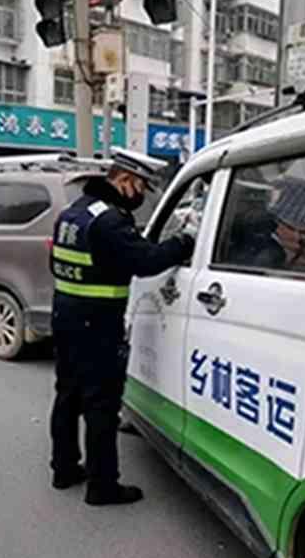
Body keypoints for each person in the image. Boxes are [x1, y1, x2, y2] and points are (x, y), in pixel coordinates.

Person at [49, 148, 195, 506]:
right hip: (97, 324)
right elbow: (146, 261)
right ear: (125, 180)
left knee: (67, 395)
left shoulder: (74, 213)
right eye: (141, 186)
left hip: (66, 317)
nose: (141, 195)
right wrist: (184, 242)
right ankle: (103, 486)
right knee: (101, 405)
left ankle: (64, 469)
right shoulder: (111, 221)